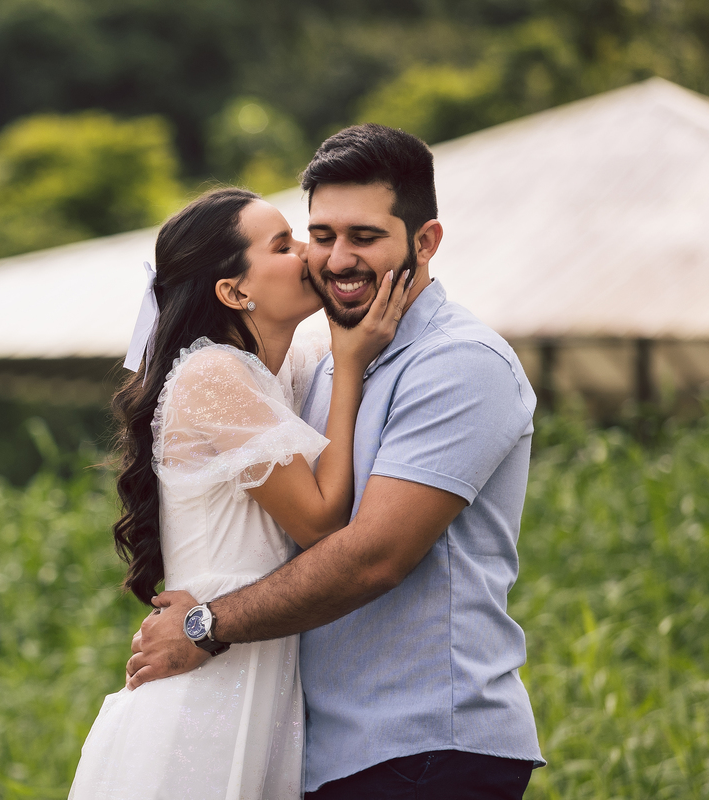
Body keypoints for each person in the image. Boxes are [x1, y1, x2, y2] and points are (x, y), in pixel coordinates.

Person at [126, 124, 545, 799]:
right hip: (319, 748)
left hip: (425, 745)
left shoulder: (458, 362)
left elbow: (370, 555)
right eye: (318, 237)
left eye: (365, 237)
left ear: (425, 241)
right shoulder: (315, 367)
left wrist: (203, 623)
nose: (334, 259)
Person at [67, 187, 408, 799]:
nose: (310, 253)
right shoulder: (214, 375)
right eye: (284, 244)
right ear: (233, 291)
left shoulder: (275, 372)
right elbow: (322, 526)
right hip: (209, 690)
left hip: (252, 673)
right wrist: (353, 364)